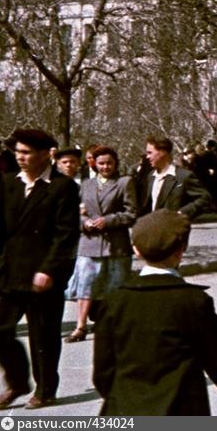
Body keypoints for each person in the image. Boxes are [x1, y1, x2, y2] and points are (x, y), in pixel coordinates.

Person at [92, 209, 217, 415]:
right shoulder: (194, 301)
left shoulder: (116, 300)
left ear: (136, 250)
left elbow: (103, 369)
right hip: (180, 408)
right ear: (181, 250)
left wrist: (120, 397)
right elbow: (216, 359)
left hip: (125, 408)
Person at [0, 128, 80, 410]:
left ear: (47, 154)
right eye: (17, 152)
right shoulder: (8, 183)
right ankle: (18, 382)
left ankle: (46, 390)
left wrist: (50, 269)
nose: (20, 157)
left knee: (43, 336)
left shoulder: (63, 187)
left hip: (44, 276)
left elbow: (66, 235)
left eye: (26, 152)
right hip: (10, 272)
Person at [63, 146, 137, 344]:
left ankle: (111, 324)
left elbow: (132, 213)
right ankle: (80, 326)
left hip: (116, 245)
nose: (105, 167)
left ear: (116, 163)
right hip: (89, 244)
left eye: (109, 163)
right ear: (94, 164)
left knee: (115, 288)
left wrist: (109, 220)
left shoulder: (124, 182)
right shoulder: (86, 184)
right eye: (101, 163)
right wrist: (84, 222)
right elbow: (76, 212)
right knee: (86, 286)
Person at [136, 136, 212, 219]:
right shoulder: (150, 176)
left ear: (163, 152)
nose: (147, 157)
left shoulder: (183, 176)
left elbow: (205, 199)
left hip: (174, 229)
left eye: (150, 153)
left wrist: (181, 213)